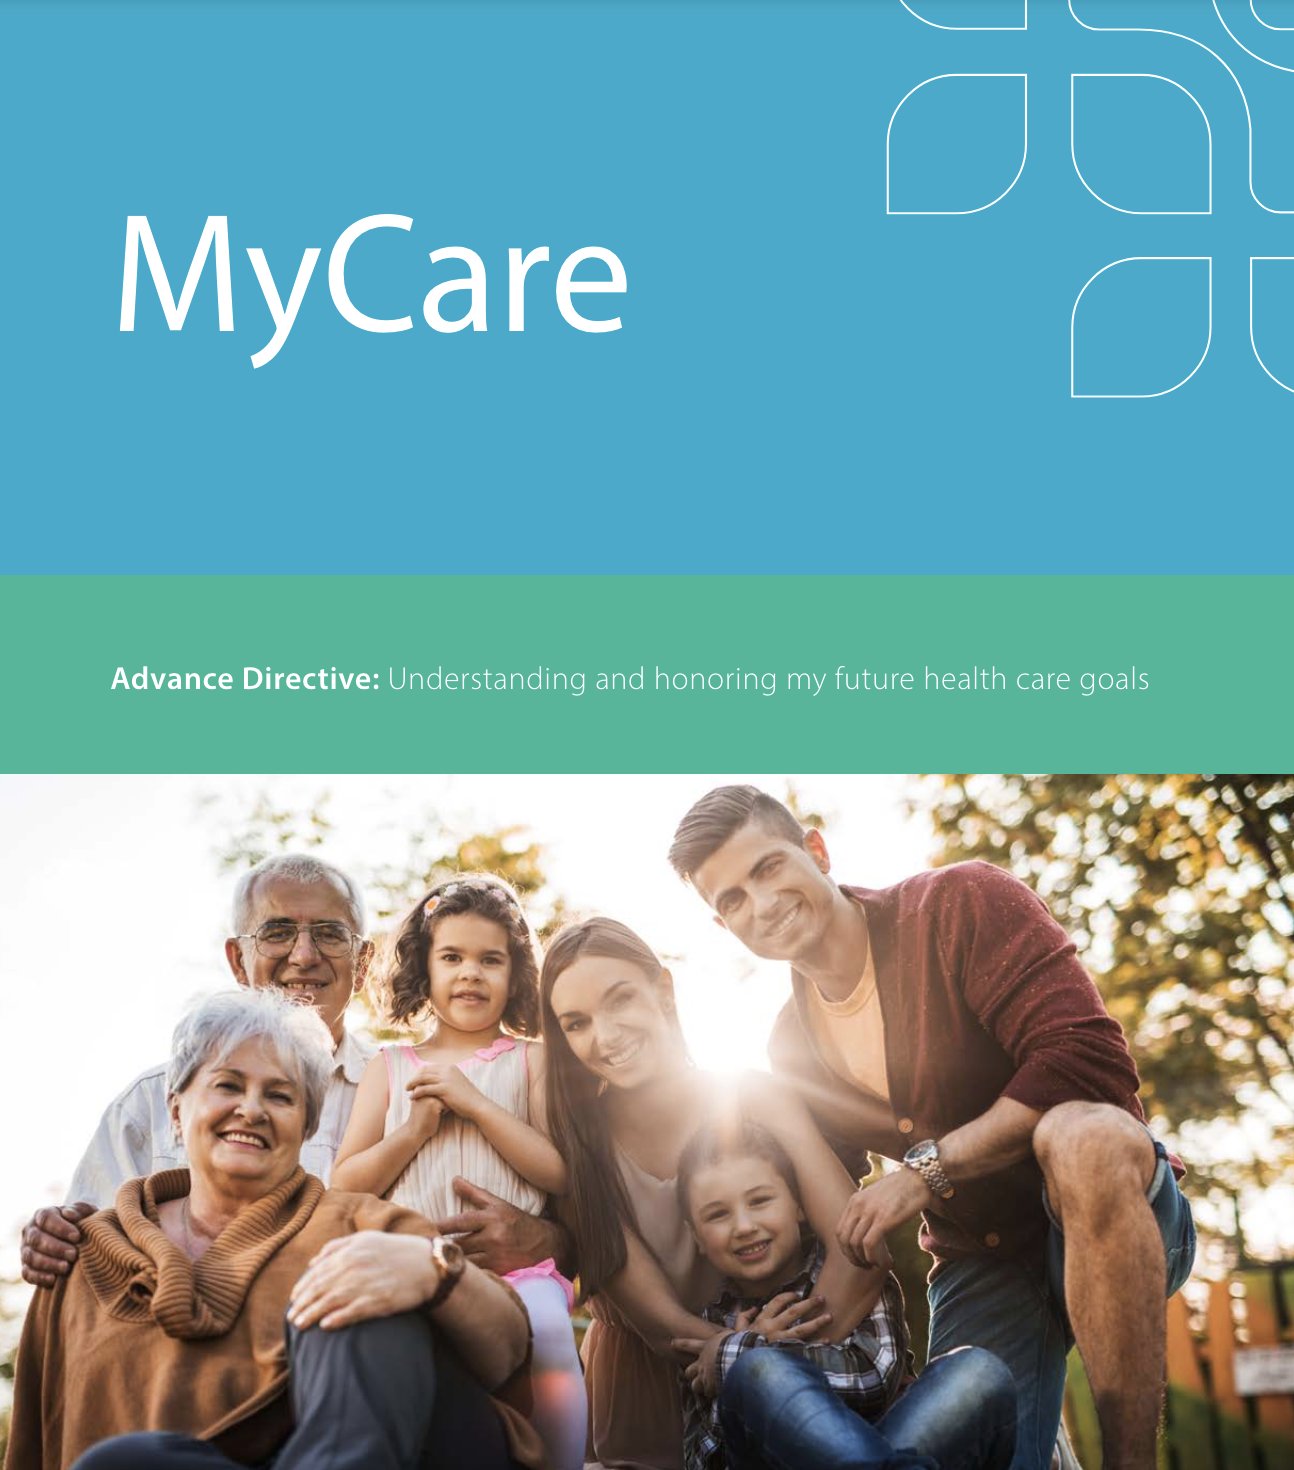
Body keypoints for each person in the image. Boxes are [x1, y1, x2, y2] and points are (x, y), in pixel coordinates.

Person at [668, 785, 1197, 1470]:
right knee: (955, 1441)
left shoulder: (959, 904)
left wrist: (927, 1171)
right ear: (723, 925)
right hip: (983, 1258)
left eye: (768, 868)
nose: (762, 904)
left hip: (1112, 1206)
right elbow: (827, 1220)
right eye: (733, 900)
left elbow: (1085, 1058)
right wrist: (752, 1337)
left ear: (816, 850)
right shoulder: (792, 1045)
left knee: (1081, 1137)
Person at [4, 987, 540, 1470]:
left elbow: (509, 1346)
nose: (252, 1109)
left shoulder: (359, 1222)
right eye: (228, 1085)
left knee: (355, 1279)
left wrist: (435, 1269)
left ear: (307, 1126)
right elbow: (35, 1440)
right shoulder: (80, 1254)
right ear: (176, 1110)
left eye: (280, 1096)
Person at [20, 853, 568, 1296]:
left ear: (362, 964)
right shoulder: (151, 1102)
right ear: (237, 960)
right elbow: (88, 1243)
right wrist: (57, 1235)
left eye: (329, 934)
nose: (304, 956)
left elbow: (582, 1220)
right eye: (277, 932)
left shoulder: (413, 1084)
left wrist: (549, 1241)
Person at [540, 916, 893, 1470]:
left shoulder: (753, 1095)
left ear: (663, 989)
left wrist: (774, 1362)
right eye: (577, 1023)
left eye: (619, 1000)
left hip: (810, 1355)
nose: (604, 1036)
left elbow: (860, 1251)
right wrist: (750, 1357)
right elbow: (665, 1330)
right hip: (649, 1393)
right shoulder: (578, 1148)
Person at [333, 875, 586, 1470]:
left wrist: (476, 1104)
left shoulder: (532, 1059)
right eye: (452, 957)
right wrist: (413, 1132)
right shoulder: (389, 1067)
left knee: (551, 1336)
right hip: (414, 1268)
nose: (470, 973)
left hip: (521, 1272)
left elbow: (557, 1171)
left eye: (490, 959)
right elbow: (344, 1184)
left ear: (516, 974)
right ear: (424, 967)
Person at [675, 1118, 1016, 1470]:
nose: (744, 1226)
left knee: (978, 1371)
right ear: (697, 1237)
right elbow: (707, 1457)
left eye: (760, 1200)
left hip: (892, 1437)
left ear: (798, 1204)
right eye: (718, 1215)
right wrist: (752, 1368)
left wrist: (738, 1352)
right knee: (757, 1370)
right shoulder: (708, 1322)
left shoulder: (855, 1267)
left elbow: (874, 1378)